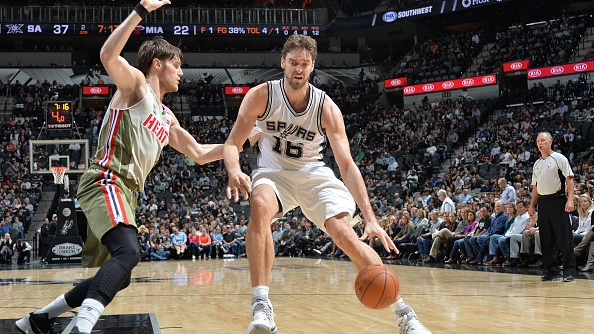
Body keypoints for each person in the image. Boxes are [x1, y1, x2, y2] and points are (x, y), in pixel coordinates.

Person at [15, 1, 236, 333]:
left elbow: (201, 153)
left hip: (126, 192)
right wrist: (140, 11)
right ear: (158, 64)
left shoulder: (167, 116)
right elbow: (107, 56)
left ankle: (38, 319)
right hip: (107, 178)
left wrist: (246, 137)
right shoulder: (137, 86)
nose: (181, 72)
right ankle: (81, 326)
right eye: (177, 65)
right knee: (128, 253)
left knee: (121, 272)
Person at [223, 35, 430, 334]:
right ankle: (261, 305)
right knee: (258, 205)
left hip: (313, 173)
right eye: (293, 63)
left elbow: (346, 164)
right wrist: (233, 170)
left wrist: (370, 218)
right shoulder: (261, 96)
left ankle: (405, 315)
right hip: (273, 172)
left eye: (304, 64)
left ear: (312, 67)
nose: (298, 69)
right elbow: (233, 143)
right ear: (282, 63)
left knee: (344, 233)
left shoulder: (326, 107)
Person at [528, 132, 576, 282]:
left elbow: (569, 180)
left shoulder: (559, 158)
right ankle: (551, 269)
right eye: (537, 141)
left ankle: (568, 270)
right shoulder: (537, 164)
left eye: (542, 140)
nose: (539, 143)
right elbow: (535, 187)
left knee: (564, 237)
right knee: (546, 237)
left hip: (558, 200)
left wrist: (570, 200)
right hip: (543, 202)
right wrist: (531, 205)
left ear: (550, 141)